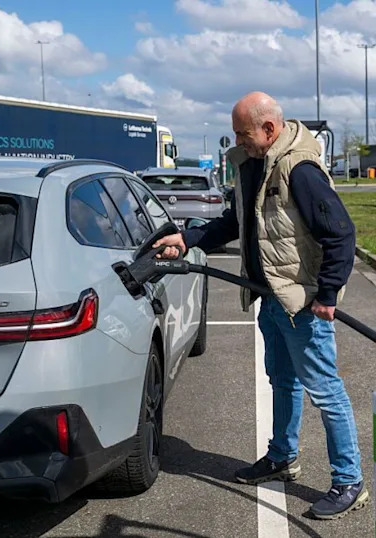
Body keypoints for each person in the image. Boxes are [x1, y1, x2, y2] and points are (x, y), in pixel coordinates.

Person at [153, 91, 367, 520]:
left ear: (269, 130)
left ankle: (349, 481)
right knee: (282, 383)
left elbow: (341, 235)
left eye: (242, 132)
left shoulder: (299, 169)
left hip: (301, 304)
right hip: (271, 299)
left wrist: (326, 296)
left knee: (325, 392)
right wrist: (189, 239)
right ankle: (282, 458)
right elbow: (236, 221)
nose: (238, 140)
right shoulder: (252, 166)